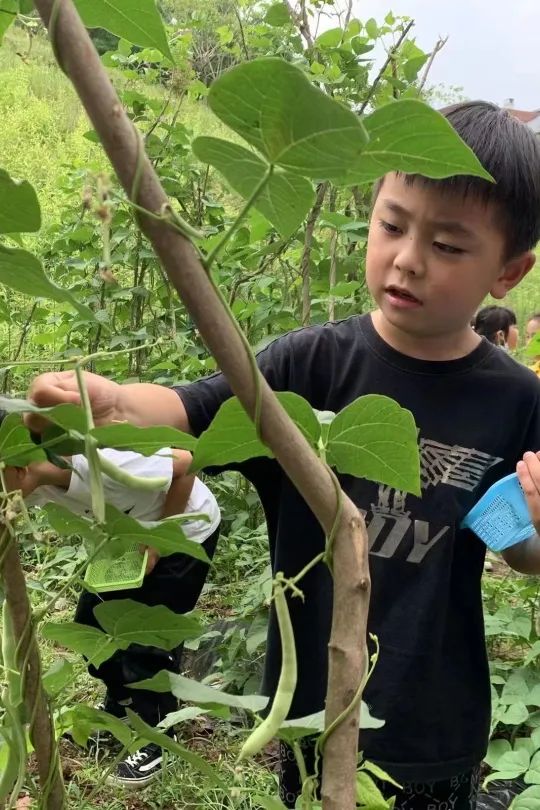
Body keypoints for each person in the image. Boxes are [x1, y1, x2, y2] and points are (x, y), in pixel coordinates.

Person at [25, 101, 540, 809]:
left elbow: (515, 548)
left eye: (449, 246)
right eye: (391, 224)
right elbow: (190, 411)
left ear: (508, 272)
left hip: (435, 724)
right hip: (310, 708)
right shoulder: (311, 364)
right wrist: (110, 407)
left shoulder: (514, 400)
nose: (407, 259)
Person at [1, 434, 220, 788]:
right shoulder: (27, 482)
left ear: (16, 465)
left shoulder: (102, 458)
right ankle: (122, 709)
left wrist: (155, 540)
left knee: (147, 645)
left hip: (181, 531)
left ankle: (156, 735)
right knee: (93, 630)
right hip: (121, 542)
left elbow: (185, 464)